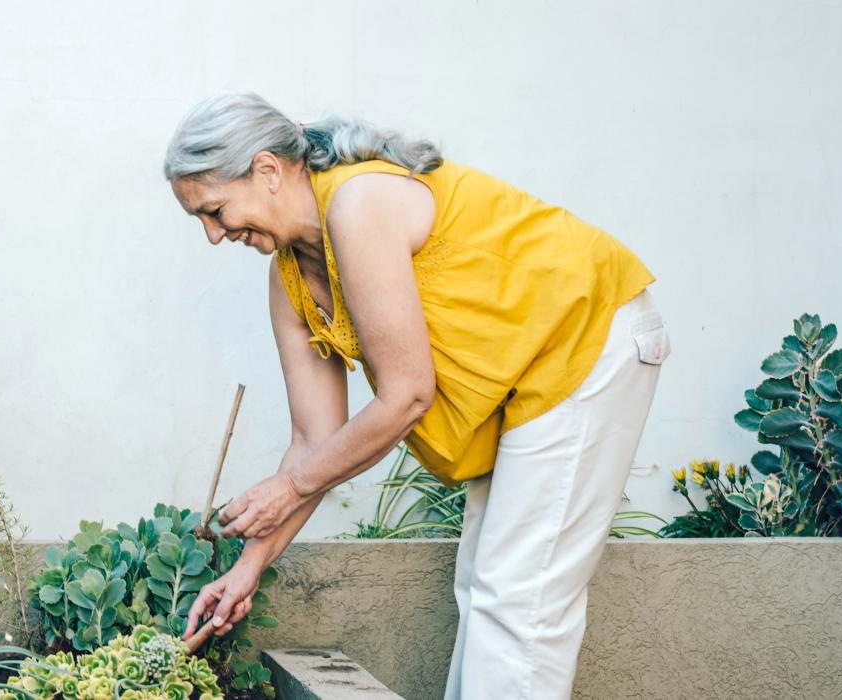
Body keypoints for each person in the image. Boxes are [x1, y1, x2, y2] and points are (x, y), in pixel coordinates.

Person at [165, 93, 670, 699]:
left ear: (268, 170)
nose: (214, 236)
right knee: (487, 587)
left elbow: (406, 396)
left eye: (215, 211)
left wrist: (291, 489)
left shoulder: (360, 204)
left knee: (519, 597)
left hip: (586, 338)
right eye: (200, 220)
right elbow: (315, 443)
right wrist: (247, 569)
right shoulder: (290, 277)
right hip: (520, 378)